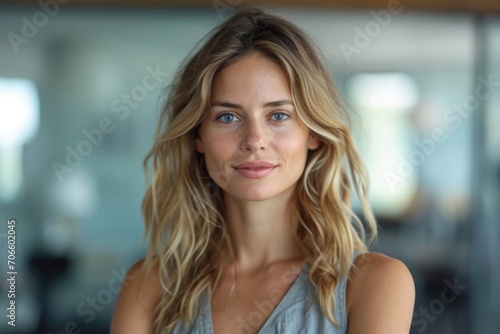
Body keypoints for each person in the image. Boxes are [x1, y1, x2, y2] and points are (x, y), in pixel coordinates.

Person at [111, 7, 415, 334]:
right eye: (228, 117)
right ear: (198, 136)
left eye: (279, 116)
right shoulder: (147, 288)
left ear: (312, 132)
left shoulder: (373, 284)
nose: (255, 141)